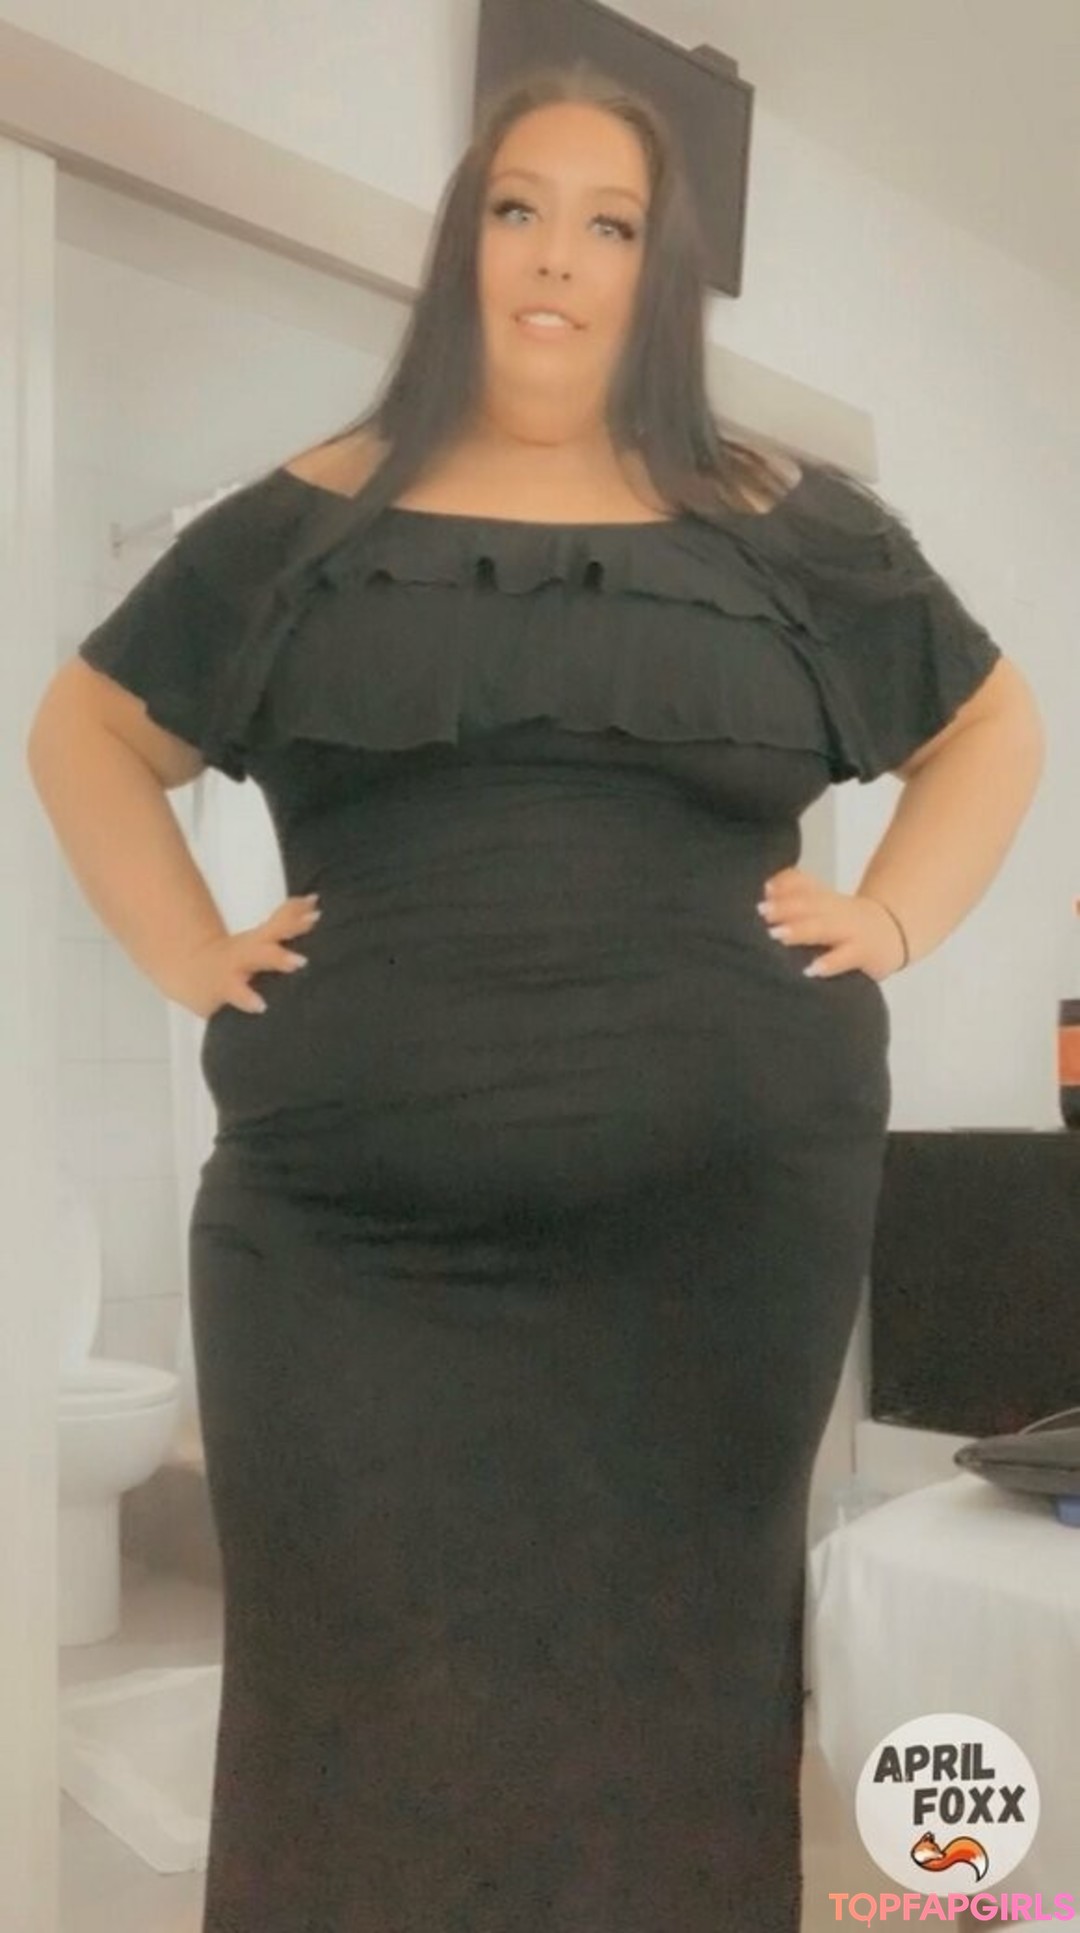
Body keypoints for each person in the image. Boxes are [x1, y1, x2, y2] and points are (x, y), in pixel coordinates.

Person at [28, 61, 1042, 1933]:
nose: (558, 255)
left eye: (610, 222)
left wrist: (894, 918)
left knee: (674, 1688)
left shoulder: (788, 523)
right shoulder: (303, 521)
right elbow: (84, 729)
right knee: (349, 1696)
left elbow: (990, 726)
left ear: (661, 270)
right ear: (462, 246)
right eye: (518, 208)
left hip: (714, 1253)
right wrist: (185, 950)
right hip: (344, 1253)